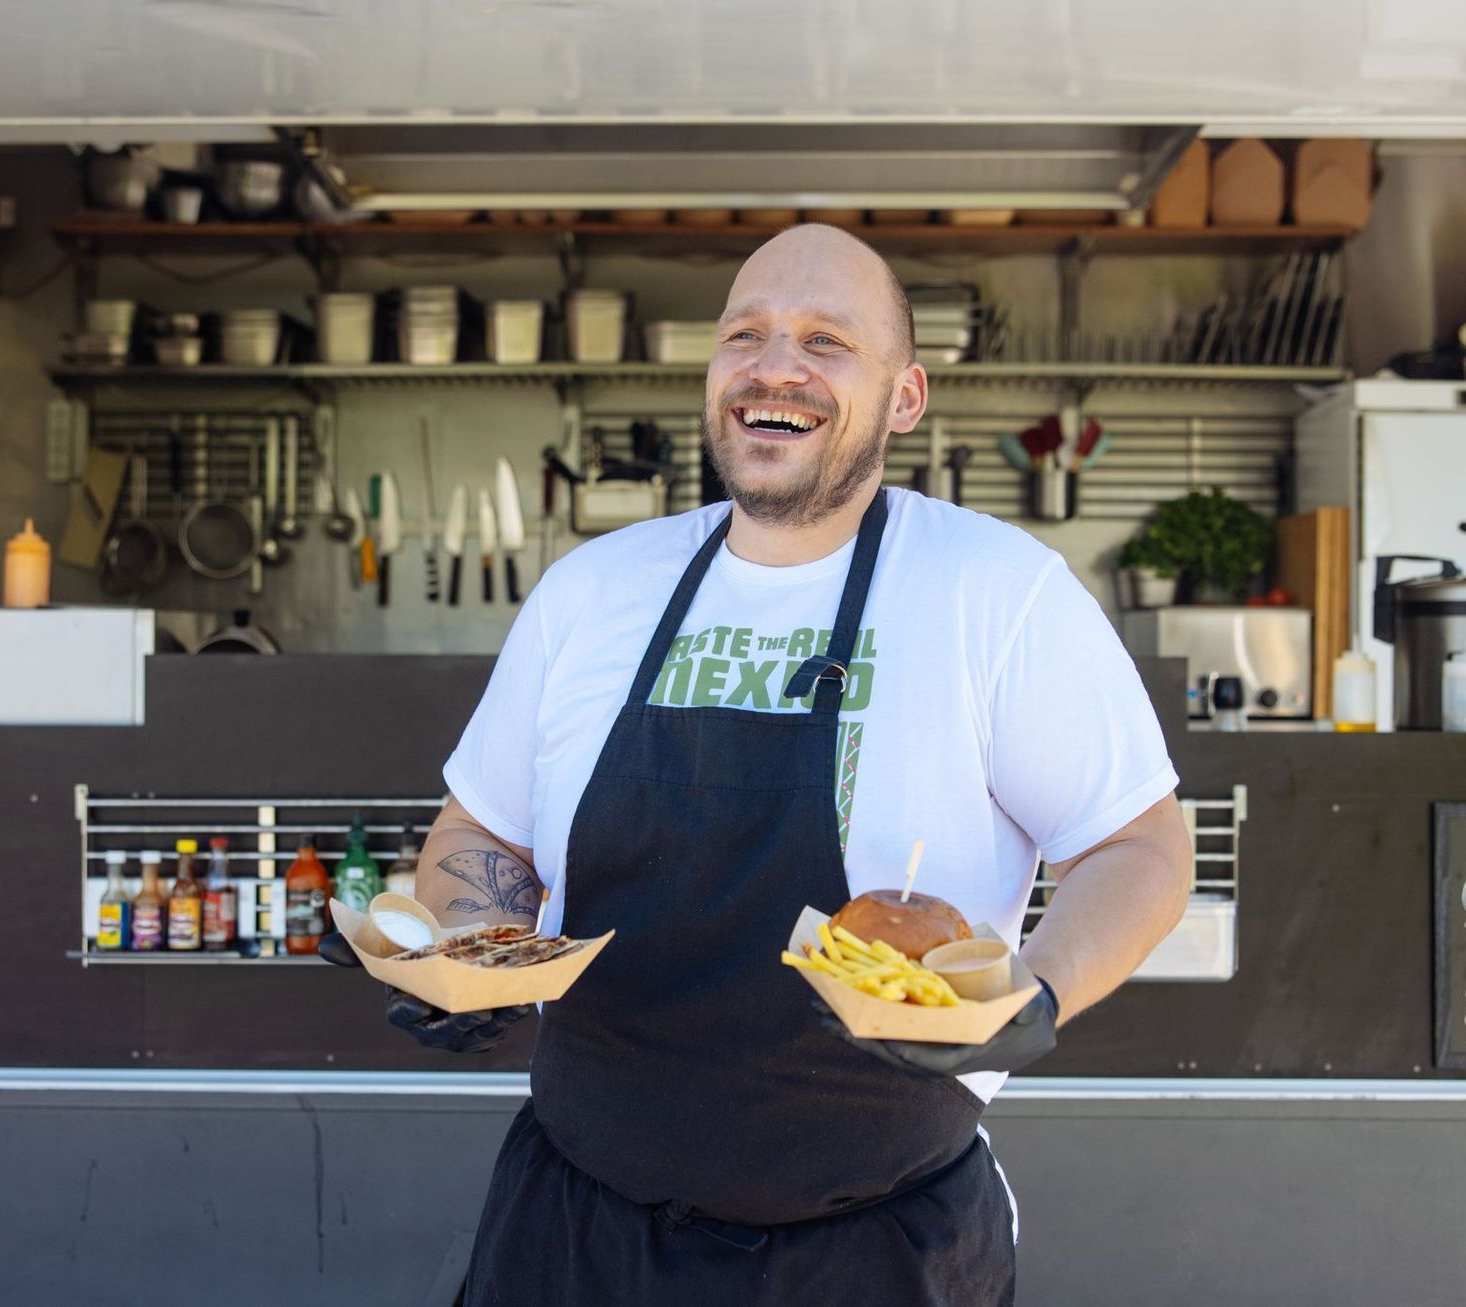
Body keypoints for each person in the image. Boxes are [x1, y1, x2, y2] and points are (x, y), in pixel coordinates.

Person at [323, 225, 1193, 1304]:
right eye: (747, 333)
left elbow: (1141, 845)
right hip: (574, 1230)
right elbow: (482, 830)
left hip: (873, 1248)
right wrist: (468, 944)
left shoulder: (996, 592)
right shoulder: (594, 589)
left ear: (906, 397)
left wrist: (1037, 991)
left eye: (826, 340)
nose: (775, 364)